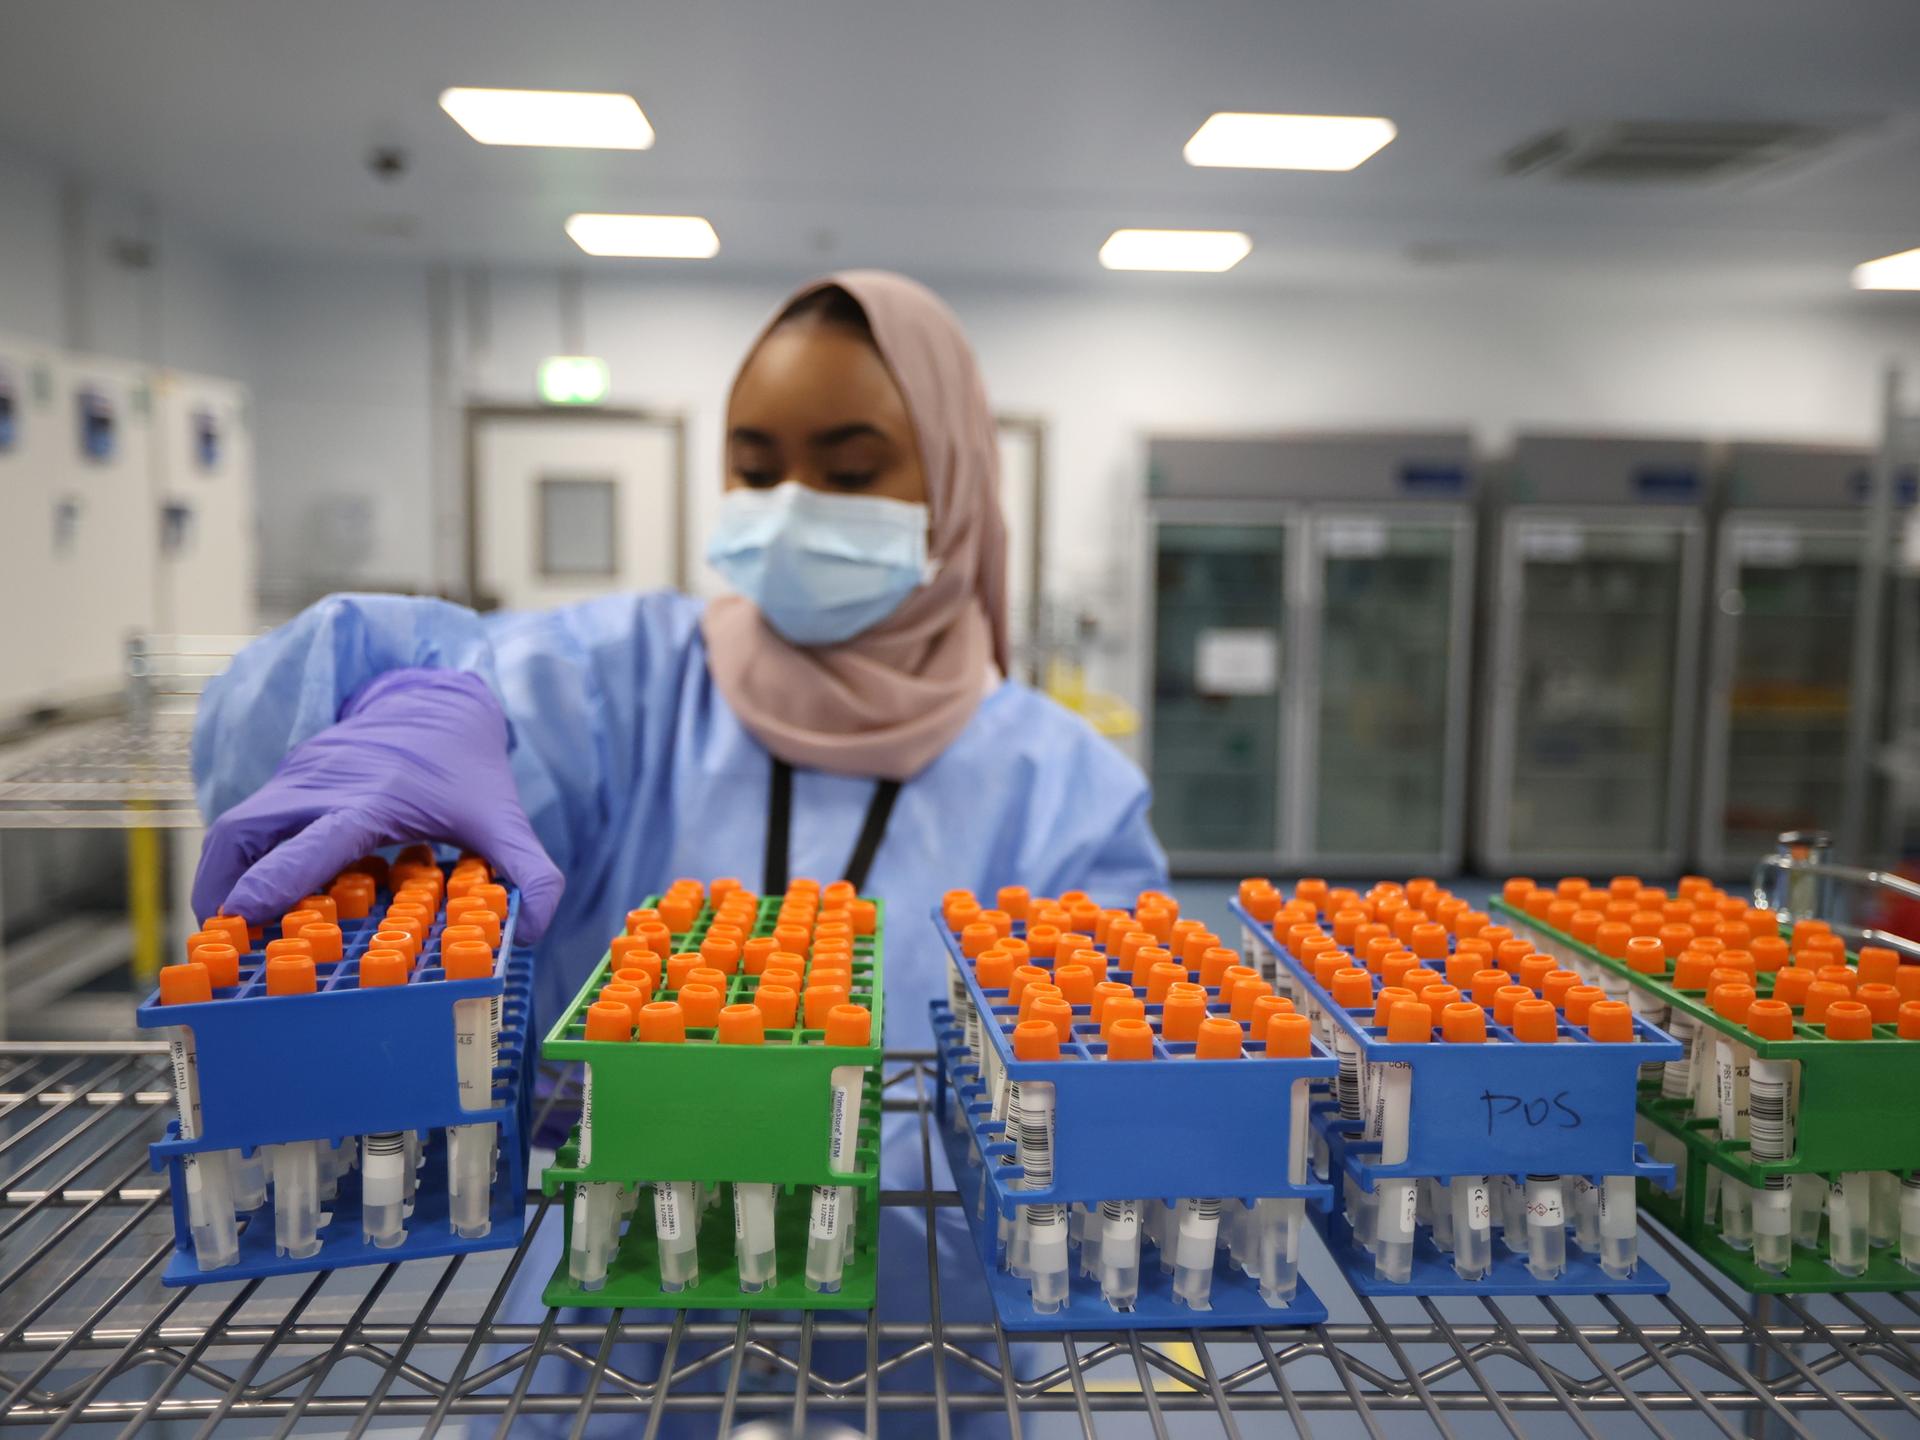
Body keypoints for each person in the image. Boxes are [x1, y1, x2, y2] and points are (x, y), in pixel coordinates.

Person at [190, 270, 1168, 1039]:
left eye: (852, 470)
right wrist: (376, 711)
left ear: (954, 480)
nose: (789, 504)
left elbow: (1097, 1091)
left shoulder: (1065, 790)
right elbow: (297, 749)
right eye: (754, 467)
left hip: (931, 1283)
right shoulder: (618, 682)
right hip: (625, 1276)